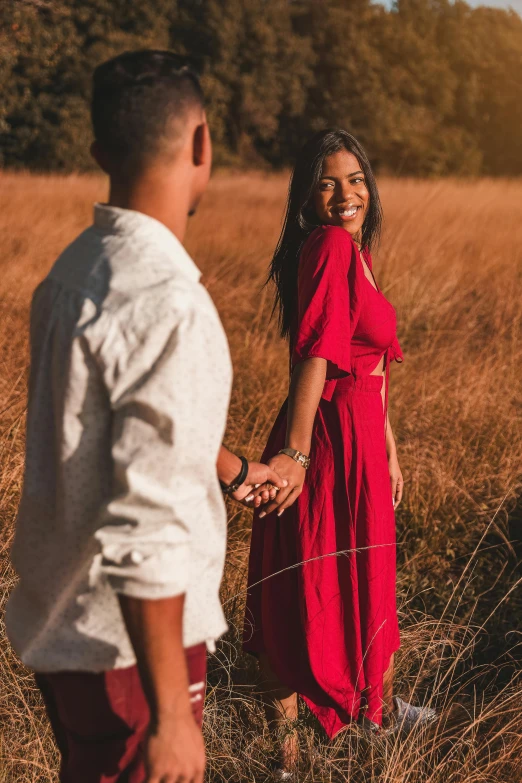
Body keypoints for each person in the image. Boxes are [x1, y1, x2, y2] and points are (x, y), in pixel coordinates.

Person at [5, 50, 285, 783]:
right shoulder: (170, 303)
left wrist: (231, 471)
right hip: (129, 652)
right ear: (202, 146)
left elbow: (116, 439)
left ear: (100, 150)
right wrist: (169, 716)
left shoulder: (71, 272)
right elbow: (147, 528)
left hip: (61, 625)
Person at [243, 129, 436, 776]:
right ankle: (287, 762)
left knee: (353, 579)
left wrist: (389, 445)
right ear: (306, 196)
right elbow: (318, 355)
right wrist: (296, 453)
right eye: (327, 181)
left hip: (360, 438)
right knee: (306, 591)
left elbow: (371, 362)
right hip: (327, 441)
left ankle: (368, 706)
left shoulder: (356, 249)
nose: (345, 193)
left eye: (355, 179)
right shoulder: (328, 246)